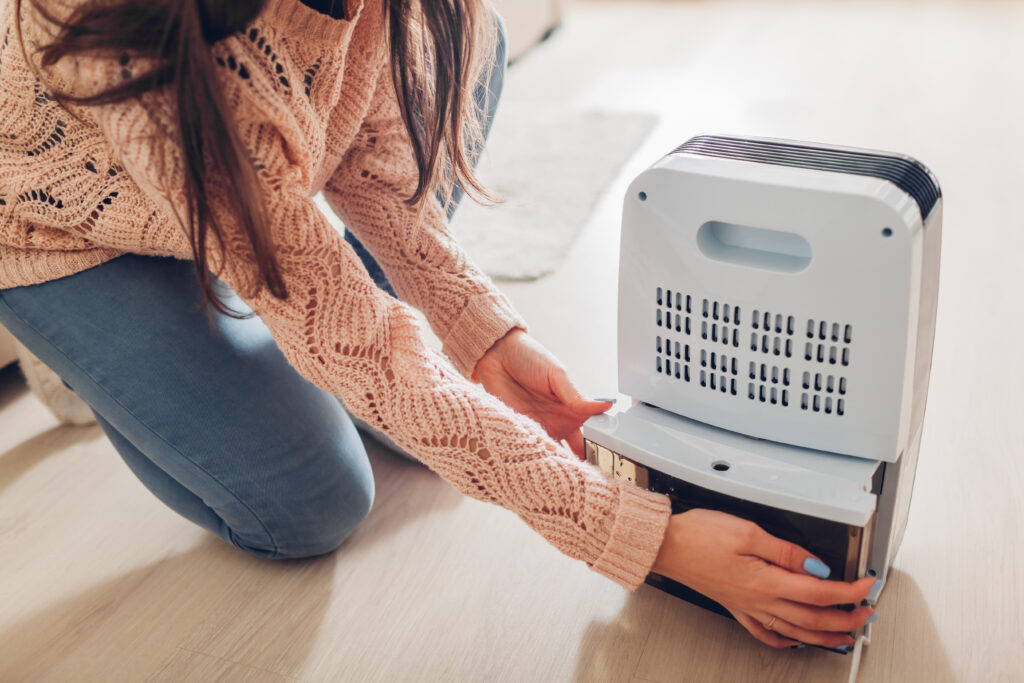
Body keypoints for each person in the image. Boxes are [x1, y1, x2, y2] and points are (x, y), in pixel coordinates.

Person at [0, 0, 878, 651]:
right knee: (312, 506)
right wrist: (641, 537)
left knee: (469, 39)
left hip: (242, 190)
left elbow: (377, 173)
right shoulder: (116, 29)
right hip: (60, 227)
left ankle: (270, 292)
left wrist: (484, 337)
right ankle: (122, 336)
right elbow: (356, 335)